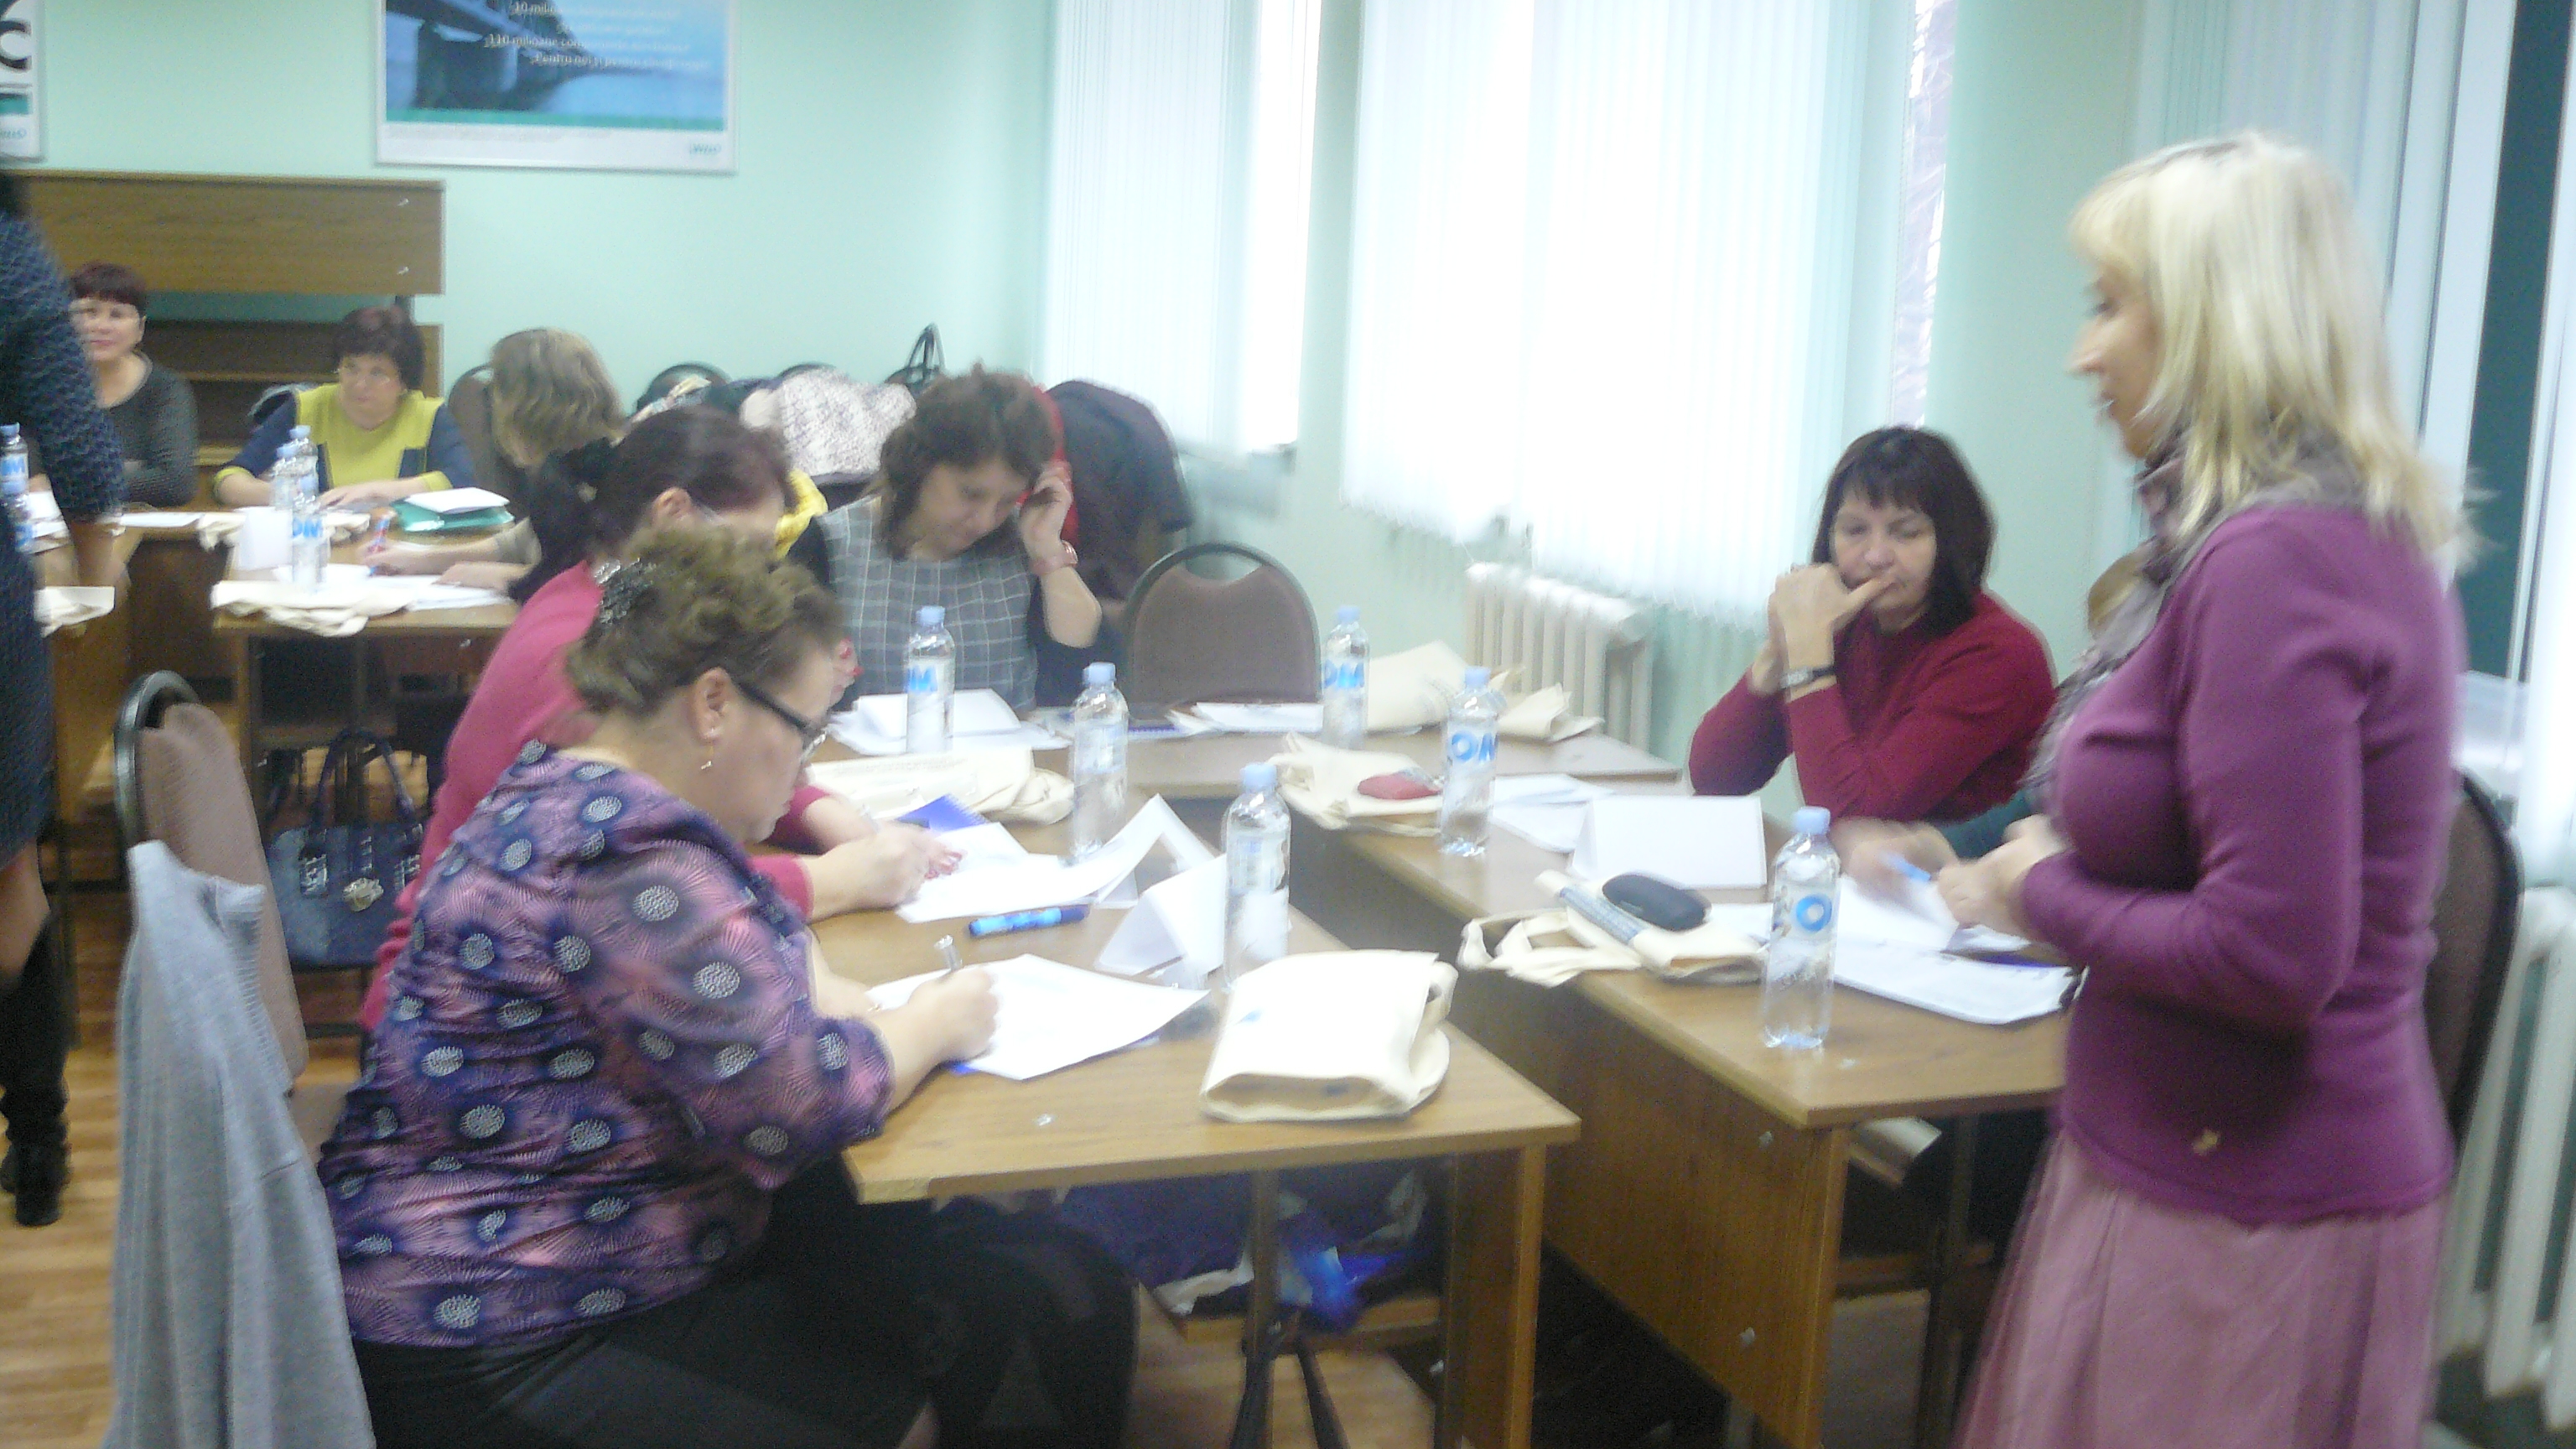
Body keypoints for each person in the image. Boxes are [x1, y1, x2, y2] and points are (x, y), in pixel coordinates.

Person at [321, 529, 1136, 1448]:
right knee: (898, 1412)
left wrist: (827, 993)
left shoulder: (574, 790)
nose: (804, 765)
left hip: (485, 1266)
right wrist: (934, 1023)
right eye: (802, 730)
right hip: (493, 1326)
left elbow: (749, 936)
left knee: (881, 1276)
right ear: (714, 703)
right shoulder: (630, 857)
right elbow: (797, 1104)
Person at [1937, 133, 2465, 1449]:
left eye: (2110, 305)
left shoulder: (2275, 559)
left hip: (2242, 1212)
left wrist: (2036, 891)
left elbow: (2271, 954)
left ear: (2213, 322)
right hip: (2193, 1164)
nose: (2084, 353)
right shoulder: (2303, 537)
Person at [358, 406, 950, 1032]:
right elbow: (648, 893)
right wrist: (834, 881)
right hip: (463, 1018)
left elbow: (703, 760)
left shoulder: (615, 610)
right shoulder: (577, 662)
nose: (759, 574)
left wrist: (821, 812)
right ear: (673, 513)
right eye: (751, 548)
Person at [1687, 426, 2054, 822]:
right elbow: (1715, 778)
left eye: (1906, 533)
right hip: (1854, 862)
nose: (1876, 556)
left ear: (1952, 542)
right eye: (1854, 531)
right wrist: (1778, 652)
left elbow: (1855, 816)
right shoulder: (1844, 623)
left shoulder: (1998, 652)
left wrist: (1808, 660)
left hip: (1956, 862)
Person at [0, 174, 125, 1229]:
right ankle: (36, 1144)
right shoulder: (9, 249)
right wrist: (95, 575)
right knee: (9, 868)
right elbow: (80, 450)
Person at [818, 366, 1112, 708]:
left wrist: (1047, 547)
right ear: (920, 466)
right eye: (970, 494)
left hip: (1005, 742)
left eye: (1006, 501)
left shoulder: (1022, 547)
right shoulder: (830, 544)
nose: (985, 520)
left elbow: (1082, 679)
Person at [368, 327, 628, 591]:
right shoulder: (563, 466)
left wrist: (507, 578)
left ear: (527, 405)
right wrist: (421, 560)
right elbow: (521, 542)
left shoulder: (610, 476)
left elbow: (603, 577)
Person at [211, 304, 475, 508]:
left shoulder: (428, 416)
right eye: (351, 367)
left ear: (404, 381)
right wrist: (286, 497)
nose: (359, 384)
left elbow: (461, 480)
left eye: (377, 373)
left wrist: (375, 491)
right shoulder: (306, 408)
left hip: (398, 546)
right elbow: (229, 478)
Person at [61, 261, 198, 507]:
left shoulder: (165, 390)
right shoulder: (43, 386)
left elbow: (176, 483)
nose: (101, 326)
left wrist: (71, 486)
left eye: (117, 315)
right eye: (88, 312)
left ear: (140, 329)